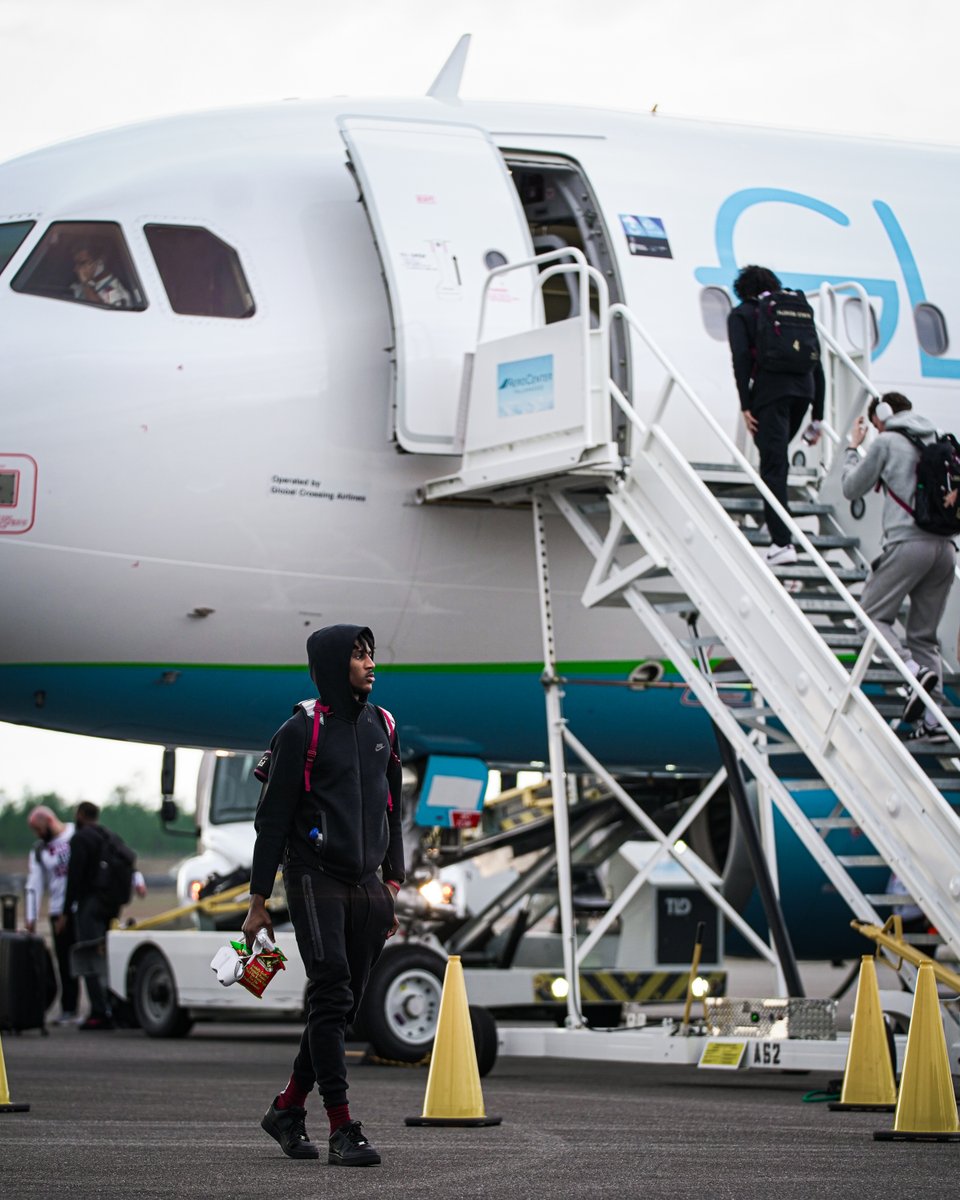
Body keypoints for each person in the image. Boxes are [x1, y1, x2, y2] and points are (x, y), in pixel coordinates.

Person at [243, 624, 404, 1168]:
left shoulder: (384, 725)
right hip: (314, 877)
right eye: (358, 655)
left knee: (339, 1007)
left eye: (370, 654)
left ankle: (287, 1108)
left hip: (369, 884)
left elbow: (392, 807)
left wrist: (394, 881)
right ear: (335, 665)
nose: (370, 663)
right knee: (332, 994)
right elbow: (271, 821)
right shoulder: (299, 731)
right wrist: (258, 900)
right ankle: (341, 1127)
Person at [842, 392, 957, 743]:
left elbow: (851, 488)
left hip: (908, 545)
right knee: (924, 636)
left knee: (870, 619)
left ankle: (912, 671)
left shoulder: (887, 441)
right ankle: (934, 720)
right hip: (946, 549)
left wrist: (852, 449)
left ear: (882, 415)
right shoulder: (936, 438)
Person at [728, 264, 825, 566]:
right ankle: (775, 522)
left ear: (742, 290)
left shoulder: (743, 314)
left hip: (771, 394)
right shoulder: (793, 312)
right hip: (804, 393)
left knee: (773, 466)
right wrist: (818, 416)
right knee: (777, 460)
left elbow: (741, 359)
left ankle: (782, 543)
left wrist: (745, 403)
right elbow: (816, 362)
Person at [59, 801, 144, 1030]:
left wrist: (65, 912)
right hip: (112, 904)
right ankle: (115, 1007)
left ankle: (98, 1012)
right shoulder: (110, 836)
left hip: (91, 904)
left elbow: (74, 878)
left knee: (89, 954)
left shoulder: (81, 839)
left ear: (80, 815)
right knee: (107, 955)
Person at [25, 805, 79, 1024]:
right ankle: (69, 1009)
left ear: (49, 820)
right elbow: (35, 884)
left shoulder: (76, 834)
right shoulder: (40, 851)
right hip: (58, 911)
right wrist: (31, 916)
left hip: (81, 908)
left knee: (89, 961)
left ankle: (102, 1009)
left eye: (39, 829)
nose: (38, 835)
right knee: (65, 962)